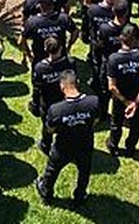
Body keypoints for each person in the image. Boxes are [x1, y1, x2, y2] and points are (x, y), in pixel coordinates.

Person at [35, 70, 99, 205]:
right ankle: (80, 196)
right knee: (84, 171)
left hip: (63, 147)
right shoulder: (93, 101)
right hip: (85, 144)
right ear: (78, 83)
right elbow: (95, 121)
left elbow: (50, 130)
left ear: (61, 87)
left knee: (52, 170)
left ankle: (46, 193)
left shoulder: (56, 109)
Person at [105, 24, 139, 155]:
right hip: (138, 97)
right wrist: (135, 102)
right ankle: (130, 148)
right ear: (136, 39)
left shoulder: (113, 59)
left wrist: (126, 102)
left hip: (120, 98)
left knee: (116, 123)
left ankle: (113, 146)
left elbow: (111, 86)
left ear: (120, 38)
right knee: (135, 125)